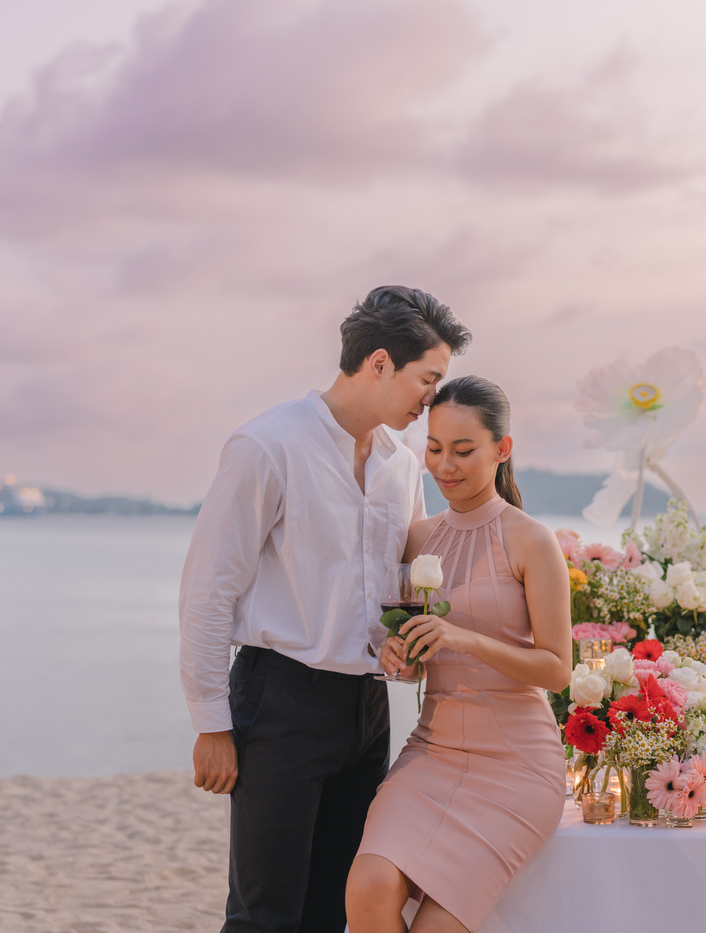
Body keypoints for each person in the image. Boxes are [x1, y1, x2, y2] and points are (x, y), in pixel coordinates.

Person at [179, 286, 471, 933]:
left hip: (366, 710)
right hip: (279, 700)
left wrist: (404, 645)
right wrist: (211, 722)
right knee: (265, 915)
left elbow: (403, 580)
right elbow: (207, 587)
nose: (430, 399)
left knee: (333, 909)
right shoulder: (267, 445)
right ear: (378, 364)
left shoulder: (400, 465)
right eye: (426, 380)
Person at [346, 376, 572, 933]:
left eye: (464, 450)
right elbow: (414, 659)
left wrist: (464, 638)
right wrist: (400, 656)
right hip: (433, 752)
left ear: (503, 449)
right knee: (367, 887)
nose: (445, 465)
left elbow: (558, 670)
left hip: (516, 768)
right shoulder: (417, 540)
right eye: (435, 448)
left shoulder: (531, 541)